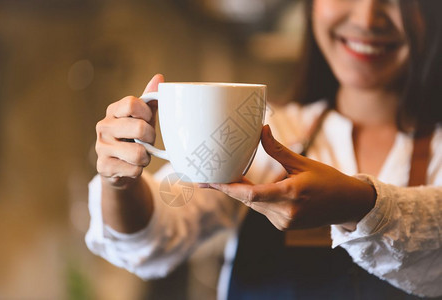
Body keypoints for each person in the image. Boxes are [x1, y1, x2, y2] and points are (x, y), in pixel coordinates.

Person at [86, 0, 442, 299]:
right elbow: (157, 233)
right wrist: (120, 183)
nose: (366, 19)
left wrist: (360, 206)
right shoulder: (266, 130)